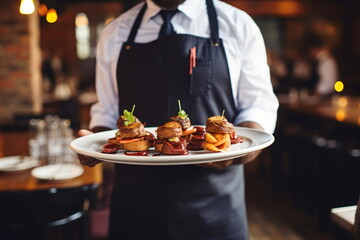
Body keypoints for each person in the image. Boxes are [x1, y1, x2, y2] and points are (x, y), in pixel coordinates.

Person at [78, 0, 278, 239]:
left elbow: (258, 105)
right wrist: (96, 144)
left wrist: (241, 149)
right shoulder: (115, 32)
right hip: (136, 204)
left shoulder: (237, 25)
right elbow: (107, 110)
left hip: (214, 203)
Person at [304, 32, 339, 97]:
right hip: (321, 96)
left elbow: (328, 84)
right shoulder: (320, 60)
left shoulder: (326, 60)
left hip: (326, 97)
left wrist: (314, 92)